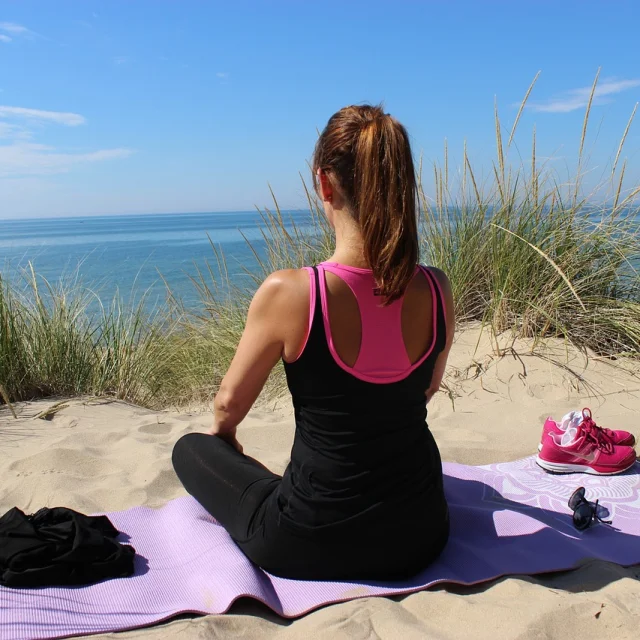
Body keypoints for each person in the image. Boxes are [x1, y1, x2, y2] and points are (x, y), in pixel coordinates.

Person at [172, 105, 455, 581]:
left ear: (324, 183)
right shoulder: (437, 287)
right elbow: (426, 389)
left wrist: (226, 443)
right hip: (421, 535)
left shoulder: (292, 293)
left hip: (310, 540)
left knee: (190, 448)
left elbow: (226, 407)